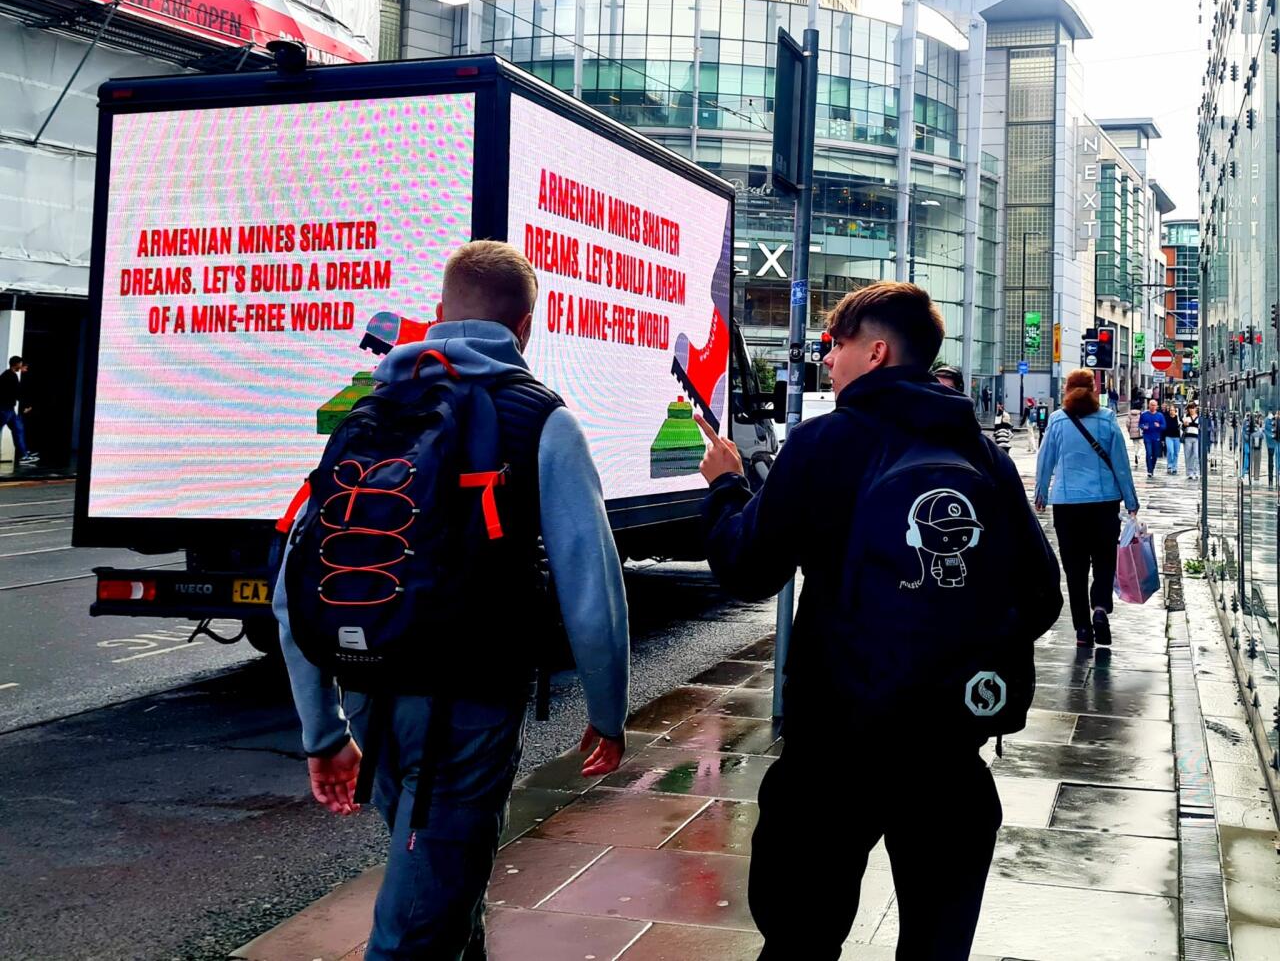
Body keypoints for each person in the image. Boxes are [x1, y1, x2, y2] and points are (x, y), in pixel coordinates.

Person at [274, 241, 630, 959]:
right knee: (415, 928)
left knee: (441, 888)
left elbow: (295, 586)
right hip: (470, 701)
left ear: (437, 314)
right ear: (525, 327)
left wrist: (323, 730)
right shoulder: (541, 419)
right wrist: (607, 711)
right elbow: (590, 587)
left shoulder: (372, 410)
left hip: (369, 686)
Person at [695, 281, 1062, 959]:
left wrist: (725, 487)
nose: (827, 359)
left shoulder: (824, 443)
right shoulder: (983, 455)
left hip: (834, 748)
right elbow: (1042, 595)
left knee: (801, 939)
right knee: (936, 945)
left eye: (836, 344)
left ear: (876, 353)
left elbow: (748, 570)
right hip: (950, 751)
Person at [1034, 369, 1139, 648]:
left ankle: (1082, 629)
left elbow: (1045, 460)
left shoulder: (1057, 420)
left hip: (1067, 505)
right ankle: (1100, 608)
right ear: (1094, 390)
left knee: (1075, 568)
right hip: (1104, 503)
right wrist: (1131, 502)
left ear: (1067, 390)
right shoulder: (1107, 419)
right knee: (1104, 560)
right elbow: (1121, 464)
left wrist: (1041, 493)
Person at [0, 356, 36, 468]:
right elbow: (17, 393)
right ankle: (24, 455)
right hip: (4, 409)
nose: (21, 365)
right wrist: (26, 405)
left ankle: (24, 456)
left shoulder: (8, 375)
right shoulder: (10, 376)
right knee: (18, 430)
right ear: (16, 364)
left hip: (9, 410)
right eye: (20, 363)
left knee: (18, 430)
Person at [1138, 399, 1166, 478]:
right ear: (1149, 405)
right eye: (1151, 405)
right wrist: (1143, 427)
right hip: (1147, 436)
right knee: (1148, 453)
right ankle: (1149, 470)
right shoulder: (1144, 414)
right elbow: (1140, 424)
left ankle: (1152, 468)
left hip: (1156, 437)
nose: (1153, 407)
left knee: (1155, 454)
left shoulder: (1160, 415)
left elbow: (1164, 426)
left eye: (1154, 405)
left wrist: (1159, 426)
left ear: (1157, 406)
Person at [1163, 402, 1182, 475]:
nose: (1171, 411)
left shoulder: (1178, 418)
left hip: (1177, 437)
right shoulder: (1166, 418)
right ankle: (1169, 465)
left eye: (1173, 410)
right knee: (1171, 451)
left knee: (1176, 453)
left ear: (1175, 411)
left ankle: (1174, 467)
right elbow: (1164, 428)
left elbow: (1182, 426)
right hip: (1168, 437)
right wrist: (1162, 439)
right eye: (1170, 410)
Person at [1183, 403, 1201, 481]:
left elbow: (1202, 428)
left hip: (1196, 438)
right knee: (1188, 456)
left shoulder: (1199, 418)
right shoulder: (1186, 418)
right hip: (1188, 438)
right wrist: (1184, 425)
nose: (1191, 410)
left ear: (1196, 409)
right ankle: (1189, 472)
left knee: (1196, 455)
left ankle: (1196, 472)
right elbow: (1182, 428)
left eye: (1193, 408)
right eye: (1190, 408)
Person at [1266, 411, 1277, 486]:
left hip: (1270, 444)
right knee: (1273, 460)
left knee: (1270, 460)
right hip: (1274, 443)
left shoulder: (1267, 420)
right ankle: (1272, 477)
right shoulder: (1275, 420)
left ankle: (1270, 477)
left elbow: (1266, 431)